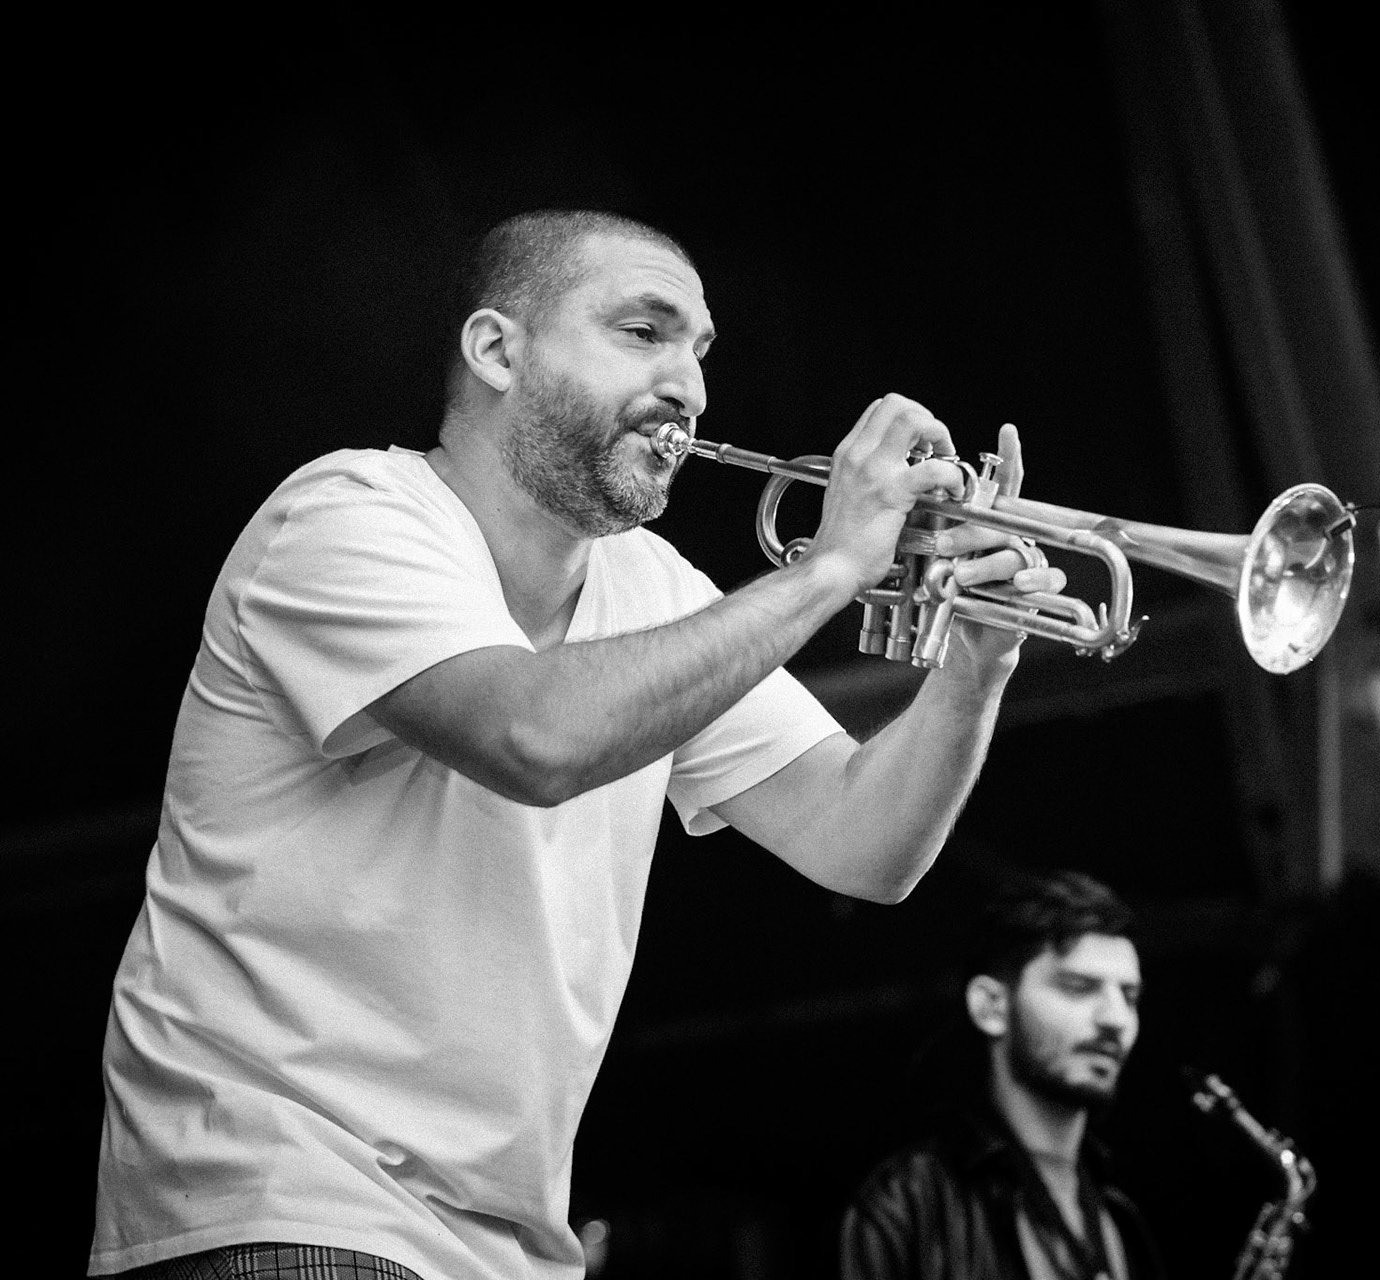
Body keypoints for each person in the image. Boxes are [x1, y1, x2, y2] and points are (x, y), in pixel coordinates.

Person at [90, 208, 1066, 1280]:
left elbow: (864, 845)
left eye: (699, 351)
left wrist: (979, 664)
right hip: (281, 1191)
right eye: (644, 332)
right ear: (497, 349)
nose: (690, 386)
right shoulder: (343, 515)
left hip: (506, 1247)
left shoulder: (651, 587)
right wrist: (830, 568)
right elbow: (535, 735)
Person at [841, 870, 1165, 1280]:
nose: (1116, 1019)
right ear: (990, 1006)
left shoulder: (1122, 1213)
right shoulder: (907, 1200)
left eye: (1130, 996)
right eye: (1079, 987)